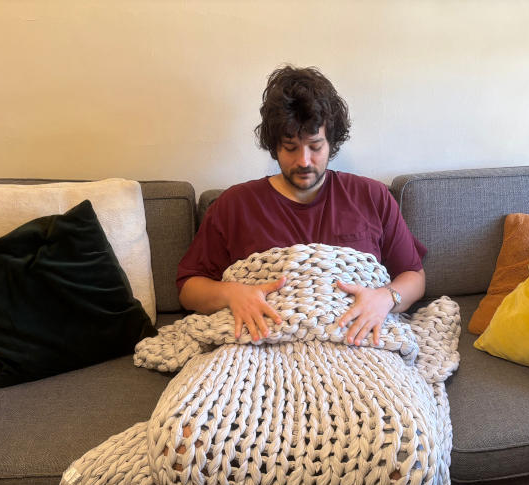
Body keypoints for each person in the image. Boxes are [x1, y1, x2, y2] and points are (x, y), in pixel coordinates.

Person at [176, 65, 426, 347]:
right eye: (291, 147)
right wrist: (232, 294)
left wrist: (386, 297)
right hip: (261, 348)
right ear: (274, 147)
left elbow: (414, 276)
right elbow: (188, 288)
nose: (304, 161)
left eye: (315, 146)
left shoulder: (372, 196)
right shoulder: (234, 205)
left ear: (332, 142)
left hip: (357, 346)